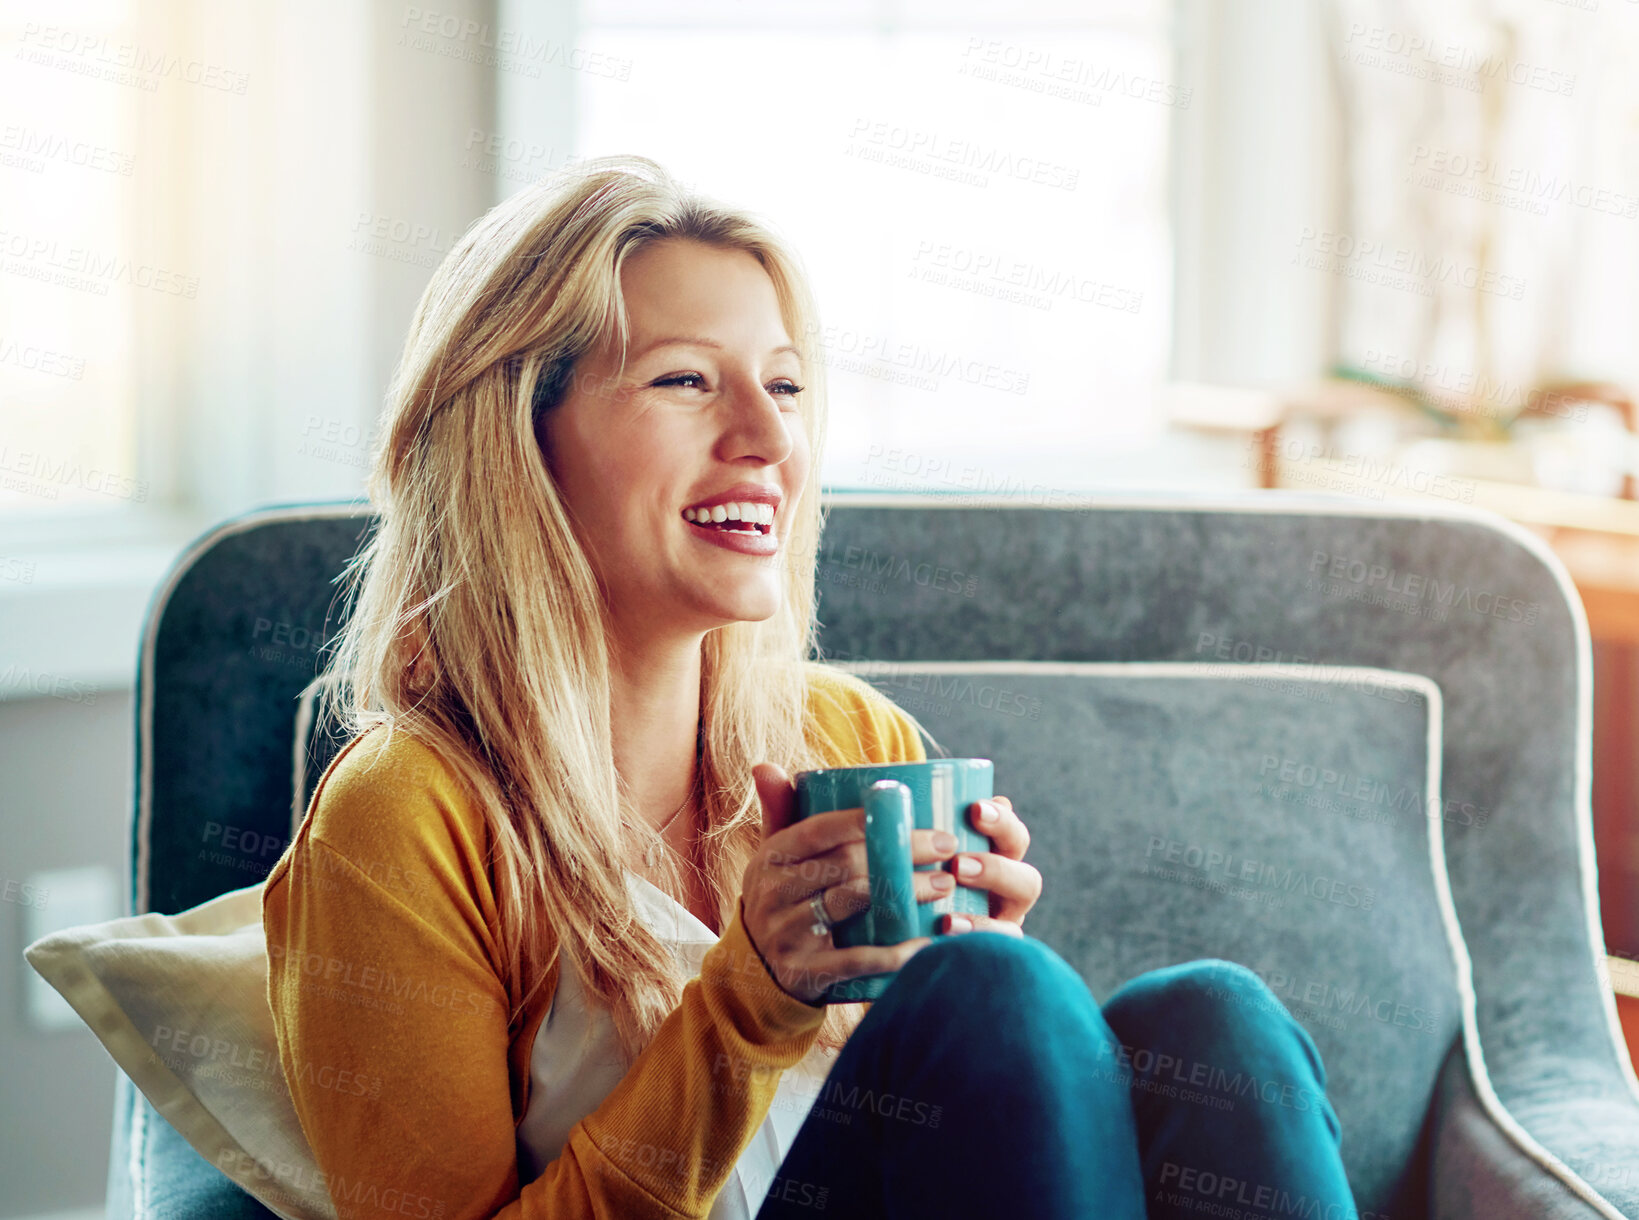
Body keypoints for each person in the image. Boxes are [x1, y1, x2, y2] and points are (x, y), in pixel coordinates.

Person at [263, 154, 1358, 1220]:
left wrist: (1001, 1019)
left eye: (783, 385)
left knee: (1211, 1022)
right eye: (687, 379)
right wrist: (753, 1001)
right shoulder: (403, 816)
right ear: (515, 437)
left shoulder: (841, 732)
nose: (769, 436)